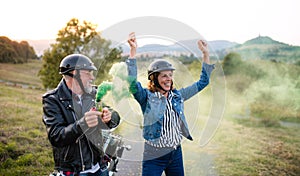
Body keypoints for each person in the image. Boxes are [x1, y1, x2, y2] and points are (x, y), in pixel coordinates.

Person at [126, 32, 215, 176]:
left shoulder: (178, 96)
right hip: (153, 156)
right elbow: (131, 83)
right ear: (154, 79)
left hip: (175, 153)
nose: (168, 79)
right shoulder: (147, 97)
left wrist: (205, 54)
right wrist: (133, 51)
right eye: (164, 76)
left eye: (170, 75)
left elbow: (203, 82)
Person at [42, 54, 120, 176]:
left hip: (99, 166)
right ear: (74, 73)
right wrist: (82, 124)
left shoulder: (93, 93)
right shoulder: (53, 99)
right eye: (88, 73)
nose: (92, 77)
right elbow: (55, 136)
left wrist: (110, 117)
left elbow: (115, 116)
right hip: (74, 171)